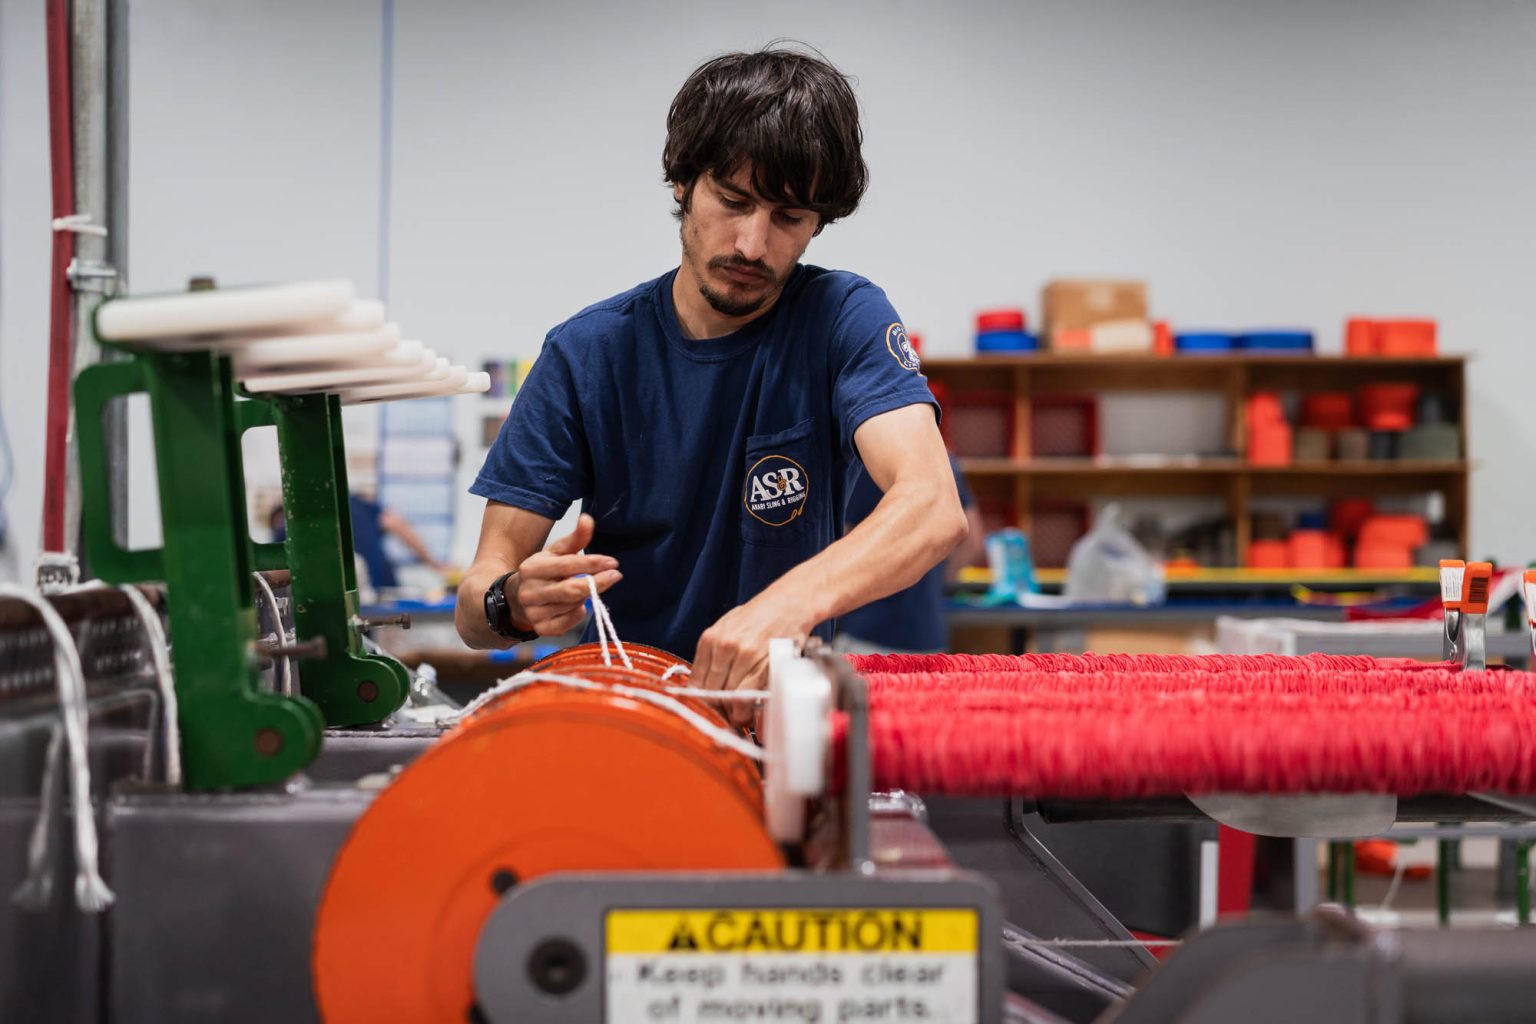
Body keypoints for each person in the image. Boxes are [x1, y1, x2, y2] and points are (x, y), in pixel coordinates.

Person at [455, 46, 967, 704]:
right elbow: (476, 608)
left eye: (790, 218)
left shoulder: (841, 318)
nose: (753, 245)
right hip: (621, 714)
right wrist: (511, 601)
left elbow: (932, 507)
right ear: (682, 181)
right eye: (733, 200)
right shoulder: (587, 353)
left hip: (773, 715)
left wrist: (783, 609)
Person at [836, 456, 983, 655]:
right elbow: (973, 541)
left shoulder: (867, 465)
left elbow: (841, 547)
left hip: (869, 634)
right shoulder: (945, 463)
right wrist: (936, 580)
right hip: (929, 635)